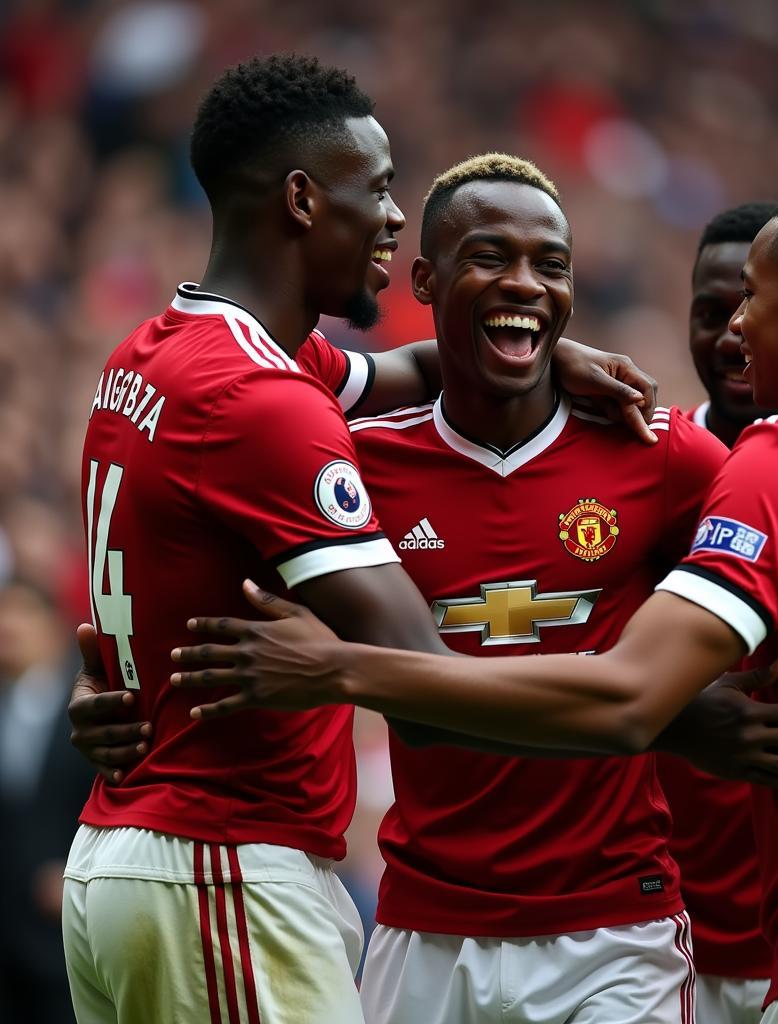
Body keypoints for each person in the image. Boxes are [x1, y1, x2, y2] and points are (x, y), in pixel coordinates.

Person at [174, 182, 778, 1024]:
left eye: (751, 300)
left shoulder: (725, 458)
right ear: (427, 282)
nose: (733, 330)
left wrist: (345, 670)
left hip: (762, 941)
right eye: (490, 260)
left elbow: (628, 694)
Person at [64, 53, 662, 1024]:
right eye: (378, 190)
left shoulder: (163, 351)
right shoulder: (258, 401)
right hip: (223, 868)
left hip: (141, 857)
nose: (393, 217)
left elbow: (402, 371)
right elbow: (425, 683)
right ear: (302, 200)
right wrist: (641, 703)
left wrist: (544, 358)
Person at [351, 152, 720, 1024]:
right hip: (425, 932)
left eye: (550, 266)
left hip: (616, 933)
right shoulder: (361, 466)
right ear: (427, 279)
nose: (525, 283)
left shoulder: (659, 455)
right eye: (491, 257)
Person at [660, 201, 778, 1024]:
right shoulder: (643, 466)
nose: (731, 334)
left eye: (750, 308)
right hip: (659, 936)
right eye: (710, 313)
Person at [0, 581, 95, 1024]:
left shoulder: (89, 705)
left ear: (54, 627)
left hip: (66, 923)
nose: (7, 627)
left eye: (21, 614)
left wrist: (78, 873)